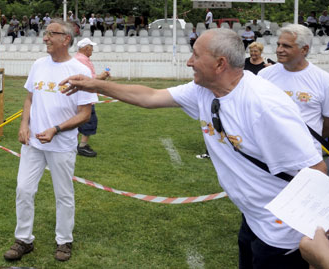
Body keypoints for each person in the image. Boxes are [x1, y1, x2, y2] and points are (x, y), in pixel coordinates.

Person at [60, 28, 326, 268]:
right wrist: (94, 84)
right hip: (253, 217)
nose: (189, 62)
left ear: (220, 64)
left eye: (196, 55)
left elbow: (315, 172)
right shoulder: (204, 89)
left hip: (283, 233)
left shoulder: (265, 106)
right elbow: (150, 97)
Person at [3, 20, 96, 263]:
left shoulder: (80, 71)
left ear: (66, 39)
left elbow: (85, 114)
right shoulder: (38, 65)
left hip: (62, 145)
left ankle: (64, 241)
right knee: (24, 189)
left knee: (63, 194)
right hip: (33, 144)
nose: (45, 38)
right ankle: (24, 239)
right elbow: (29, 99)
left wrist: (56, 129)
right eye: (45, 33)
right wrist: (24, 125)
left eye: (51, 34)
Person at [259, 24, 329, 154]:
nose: (279, 50)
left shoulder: (323, 80)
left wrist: (306, 139)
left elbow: (328, 123)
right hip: (270, 154)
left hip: (307, 156)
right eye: (278, 44)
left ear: (304, 49)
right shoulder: (264, 75)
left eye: (286, 46)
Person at [74, 38, 110, 157]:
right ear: (86, 48)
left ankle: (74, 145)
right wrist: (102, 76)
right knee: (88, 120)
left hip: (79, 96)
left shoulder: (78, 59)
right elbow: (89, 78)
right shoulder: (82, 60)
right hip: (84, 96)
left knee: (77, 121)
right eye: (91, 47)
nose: (93, 50)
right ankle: (82, 146)